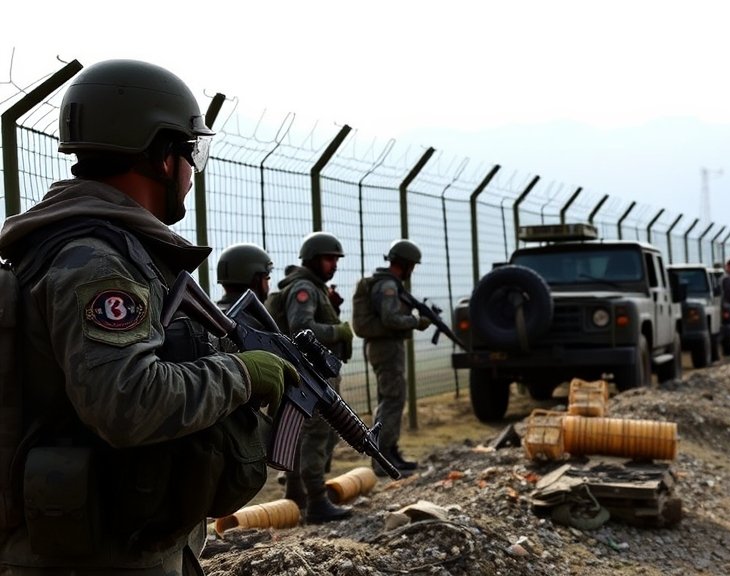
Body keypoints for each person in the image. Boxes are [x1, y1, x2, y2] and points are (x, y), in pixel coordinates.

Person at [0, 59, 294, 575]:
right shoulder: (97, 262)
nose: (190, 172)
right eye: (190, 152)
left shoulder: (92, 247)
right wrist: (243, 373)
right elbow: (127, 401)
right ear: (162, 155)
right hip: (93, 555)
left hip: (102, 534)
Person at [276, 231, 354, 523]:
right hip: (312, 373)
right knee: (318, 433)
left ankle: (296, 496)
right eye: (328, 258)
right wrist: (338, 331)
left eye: (335, 259)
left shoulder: (315, 287)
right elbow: (301, 327)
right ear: (312, 259)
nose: (333, 264)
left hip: (314, 371)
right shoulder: (304, 288)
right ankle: (317, 501)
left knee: (306, 434)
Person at [362, 239, 431, 478]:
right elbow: (390, 318)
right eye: (412, 265)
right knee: (391, 400)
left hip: (386, 347)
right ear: (405, 264)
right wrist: (416, 322)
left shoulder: (389, 284)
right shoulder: (388, 286)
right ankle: (382, 457)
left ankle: (390, 451)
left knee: (390, 400)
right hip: (386, 348)